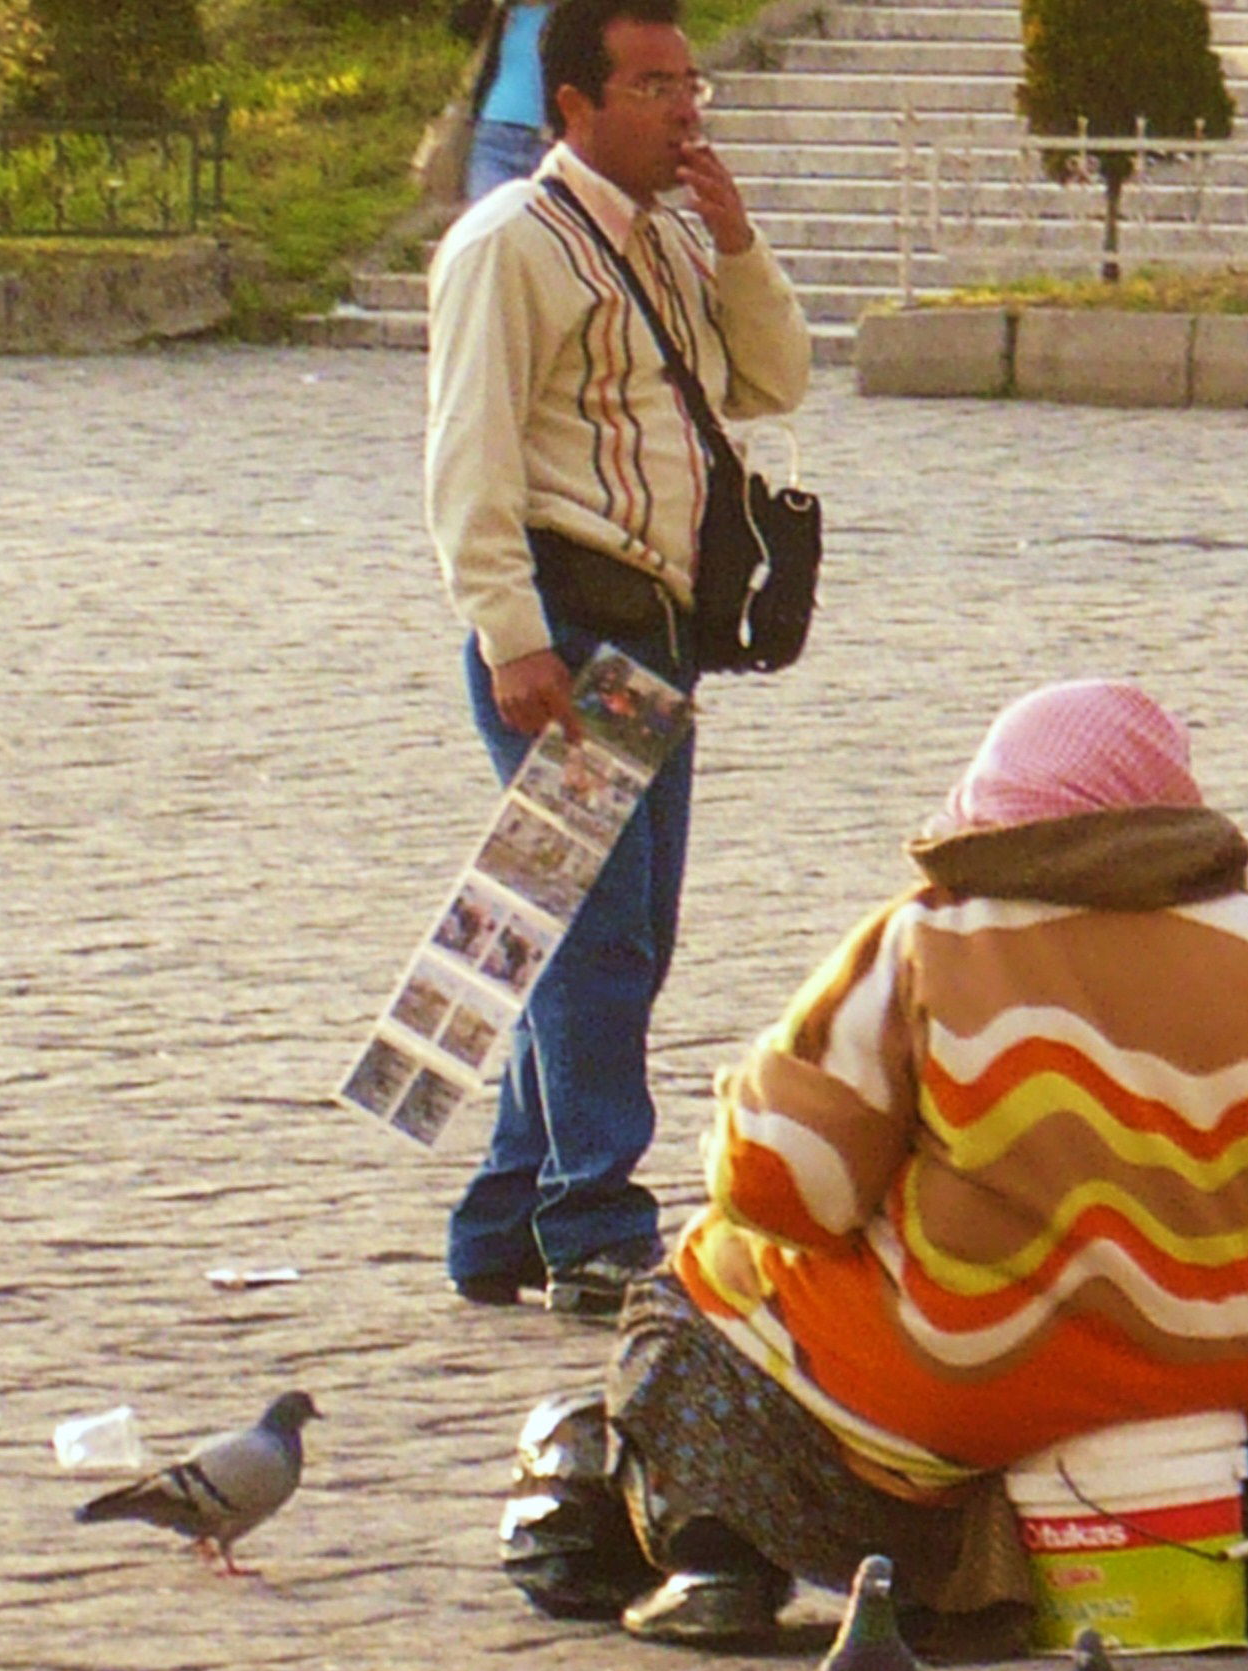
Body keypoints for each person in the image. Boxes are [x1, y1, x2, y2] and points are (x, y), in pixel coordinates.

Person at [597, 679, 1248, 1647]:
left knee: (691, 1292)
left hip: (955, 1388)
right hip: (1236, 1390)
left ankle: (717, 1566)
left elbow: (787, 1183)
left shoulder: (924, 943)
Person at [424, 0, 809, 1320]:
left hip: (655, 633)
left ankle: (499, 1219)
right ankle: (593, 1218)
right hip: (567, 625)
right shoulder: (509, 246)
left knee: (603, 933)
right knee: (594, 937)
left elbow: (773, 382)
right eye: (650, 86)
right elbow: (465, 459)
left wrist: (739, 241)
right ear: (573, 105)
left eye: (689, 84)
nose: (683, 108)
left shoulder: (660, 246)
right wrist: (512, 638)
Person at [449, 0, 555, 203]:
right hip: (495, 135)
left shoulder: (571, 18)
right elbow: (460, 25)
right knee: (487, 222)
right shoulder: (501, 14)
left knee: (541, 228)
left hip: (548, 140)